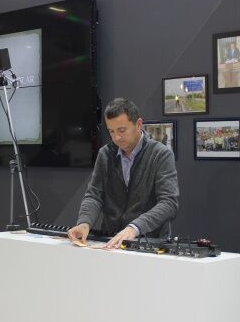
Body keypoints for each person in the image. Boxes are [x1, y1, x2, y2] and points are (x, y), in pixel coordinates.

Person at [67, 98, 179, 249]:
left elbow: (169, 203)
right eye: (111, 131)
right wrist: (84, 222)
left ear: (138, 124)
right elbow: (94, 195)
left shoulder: (160, 154)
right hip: (111, 240)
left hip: (149, 243)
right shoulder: (105, 154)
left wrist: (134, 227)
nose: (116, 138)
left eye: (122, 130)